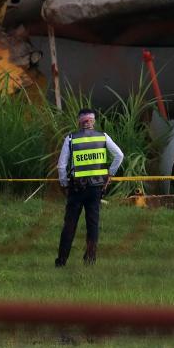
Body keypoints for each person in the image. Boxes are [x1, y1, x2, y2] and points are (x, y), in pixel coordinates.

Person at [55, 108, 124, 267]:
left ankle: (61, 261)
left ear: (79, 121)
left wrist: (64, 184)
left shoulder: (71, 138)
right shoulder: (103, 137)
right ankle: (90, 259)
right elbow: (119, 156)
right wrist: (109, 174)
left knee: (70, 225)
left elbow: (61, 166)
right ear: (93, 121)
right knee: (93, 224)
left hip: (76, 188)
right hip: (96, 188)